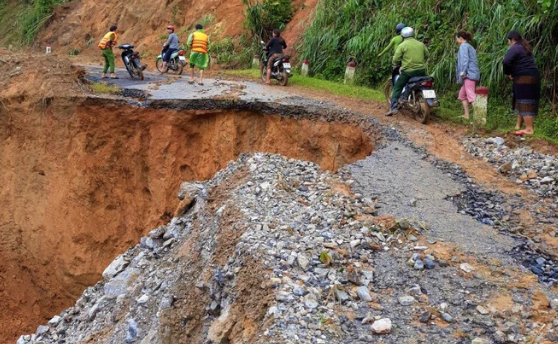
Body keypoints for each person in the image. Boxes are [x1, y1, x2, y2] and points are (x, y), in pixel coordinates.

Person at [503, 30, 540, 136]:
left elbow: (506, 61)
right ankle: (518, 125)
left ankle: (529, 129)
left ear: (512, 40)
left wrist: (508, 73)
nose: (509, 44)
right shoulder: (525, 47)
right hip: (533, 75)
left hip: (524, 77)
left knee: (525, 101)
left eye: (509, 41)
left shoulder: (515, 47)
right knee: (521, 100)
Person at [387, 27, 429, 116]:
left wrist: (396, 63)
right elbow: (427, 55)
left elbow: (396, 59)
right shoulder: (421, 44)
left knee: (397, 87)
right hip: (421, 71)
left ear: (403, 36)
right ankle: (407, 96)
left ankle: (393, 108)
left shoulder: (402, 45)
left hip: (408, 72)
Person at [455, 30, 480, 120]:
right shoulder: (470, 47)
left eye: (457, 39)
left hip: (469, 75)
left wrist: (463, 72)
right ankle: (466, 115)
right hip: (473, 74)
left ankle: (479, 118)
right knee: (462, 95)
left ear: (460, 38)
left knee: (471, 96)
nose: (457, 41)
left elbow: (465, 61)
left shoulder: (463, 46)